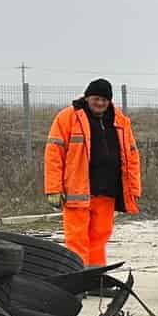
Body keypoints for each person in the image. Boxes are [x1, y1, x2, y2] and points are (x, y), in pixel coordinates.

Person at [43, 79, 141, 267]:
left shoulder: (120, 121)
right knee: (76, 239)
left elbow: (132, 156)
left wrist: (133, 189)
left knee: (100, 238)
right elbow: (54, 155)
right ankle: (78, 278)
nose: (100, 103)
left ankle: (96, 279)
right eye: (96, 98)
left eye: (104, 100)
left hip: (107, 190)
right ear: (87, 97)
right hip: (77, 191)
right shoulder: (67, 118)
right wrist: (53, 188)